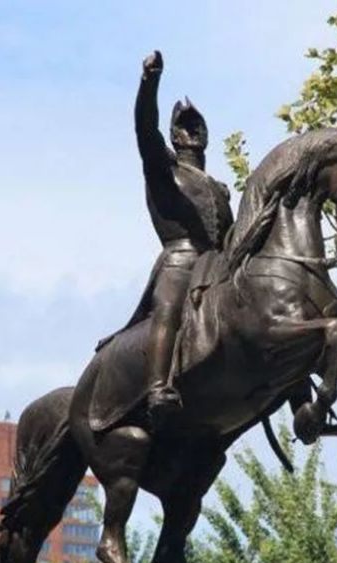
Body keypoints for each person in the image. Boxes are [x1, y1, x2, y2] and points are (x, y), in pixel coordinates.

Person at [122, 49, 234, 426]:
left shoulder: (218, 188)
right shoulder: (163, 170)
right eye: (183, 127)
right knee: (169, 308)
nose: (192, 131)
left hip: (220, 263)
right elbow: (144, 126)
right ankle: (157, 387)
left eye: (197, 125)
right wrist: (149, 82)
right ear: (172, 136)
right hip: (181, 259)